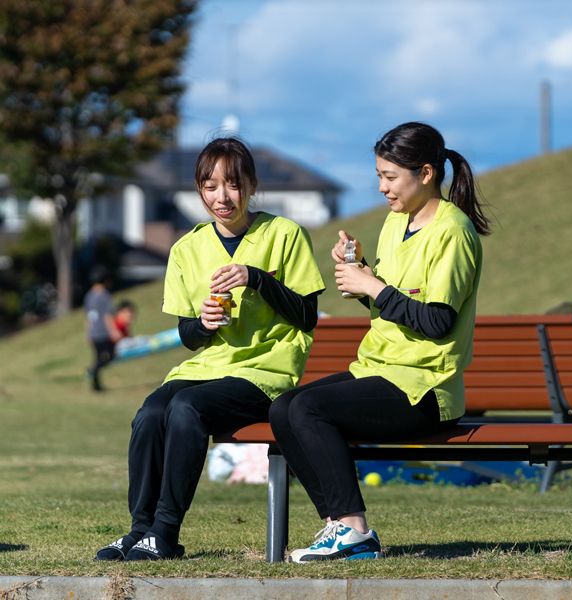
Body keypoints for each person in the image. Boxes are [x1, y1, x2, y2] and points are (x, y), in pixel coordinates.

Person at [93, 137, 325, 562]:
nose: (222, 197)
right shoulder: (186, 248)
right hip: (207, 367)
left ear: (252, 185)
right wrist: (203, 324)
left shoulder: (285, 234)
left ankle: (164, 533)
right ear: (199, 190)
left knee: (187, 408)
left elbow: (308, 316)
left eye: (233, 185)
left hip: (265, 373)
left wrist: (257, 278)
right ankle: (139, 530)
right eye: (210, 186)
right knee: (149, 414)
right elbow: (188, 335)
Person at [269, 122, 490, 563]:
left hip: (425, 387)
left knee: (309, 410)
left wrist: (372, 287)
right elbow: (394, 299)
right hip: (380, 370)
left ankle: (355, 530)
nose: (382, 187)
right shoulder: (395, 222)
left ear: (425, 173)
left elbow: (437, 322)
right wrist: (362, 272)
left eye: (390, 177)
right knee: (282, 408)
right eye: (378, 176)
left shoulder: (453, 231)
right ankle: (338, 524)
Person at [84, 265, 123, 391]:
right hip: (103, 333)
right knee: (111, 356)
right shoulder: (105, 295)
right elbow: (107, 316)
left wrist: (88, 333)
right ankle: (92, 371)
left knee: (98, 359)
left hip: (94, 333)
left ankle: (96, 385)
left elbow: (89, 317)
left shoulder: (89, 296)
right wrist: (113, 330)